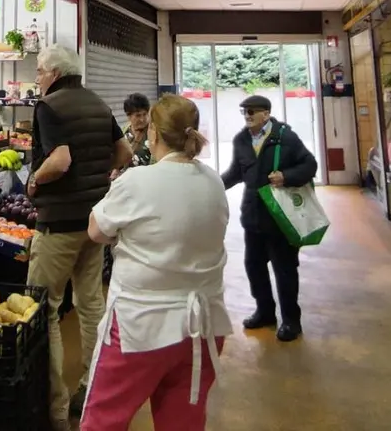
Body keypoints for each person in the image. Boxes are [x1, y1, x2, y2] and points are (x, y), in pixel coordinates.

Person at [81, 94, 232, 430]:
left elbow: (96, 231)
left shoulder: (137, 181)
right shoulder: (213, 181)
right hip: (203, 327)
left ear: (153, 134)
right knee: (183, 421)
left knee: (104, 420)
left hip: (141, 325)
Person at [26, 43, 133, 431]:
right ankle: (89, 388)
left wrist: (34, 181)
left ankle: (54, 407)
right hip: (93, 221)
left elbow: (60, 160)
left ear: (54, 73)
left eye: (39, 72)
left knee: (44, 308)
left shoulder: (49, 106)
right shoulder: (96, 102)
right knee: (90, 304)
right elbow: (123, 152)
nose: (36, 79)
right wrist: (96, 179)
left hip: (57, 225)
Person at [221, 95, 317, 342]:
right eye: (244, 111)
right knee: (254, 267)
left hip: (280, 218)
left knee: (284, 270)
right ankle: (265, 312)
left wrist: (286, 176)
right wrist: (213, 184)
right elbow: (235, 173)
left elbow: (310, 165)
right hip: (253, 217)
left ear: (266, 113)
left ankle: (291, 321)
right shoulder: (242, 140)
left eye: (252, 111)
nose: (247, 115)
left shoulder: (285, 138)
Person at [103, 93, 152, 282]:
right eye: (136, 115)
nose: (141, 119)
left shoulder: (154, 133)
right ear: (128, 116)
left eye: (144, 114)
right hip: (122, 191)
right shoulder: (124, 133)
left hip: (144, 191)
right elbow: (116, 156)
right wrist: (114, 170)